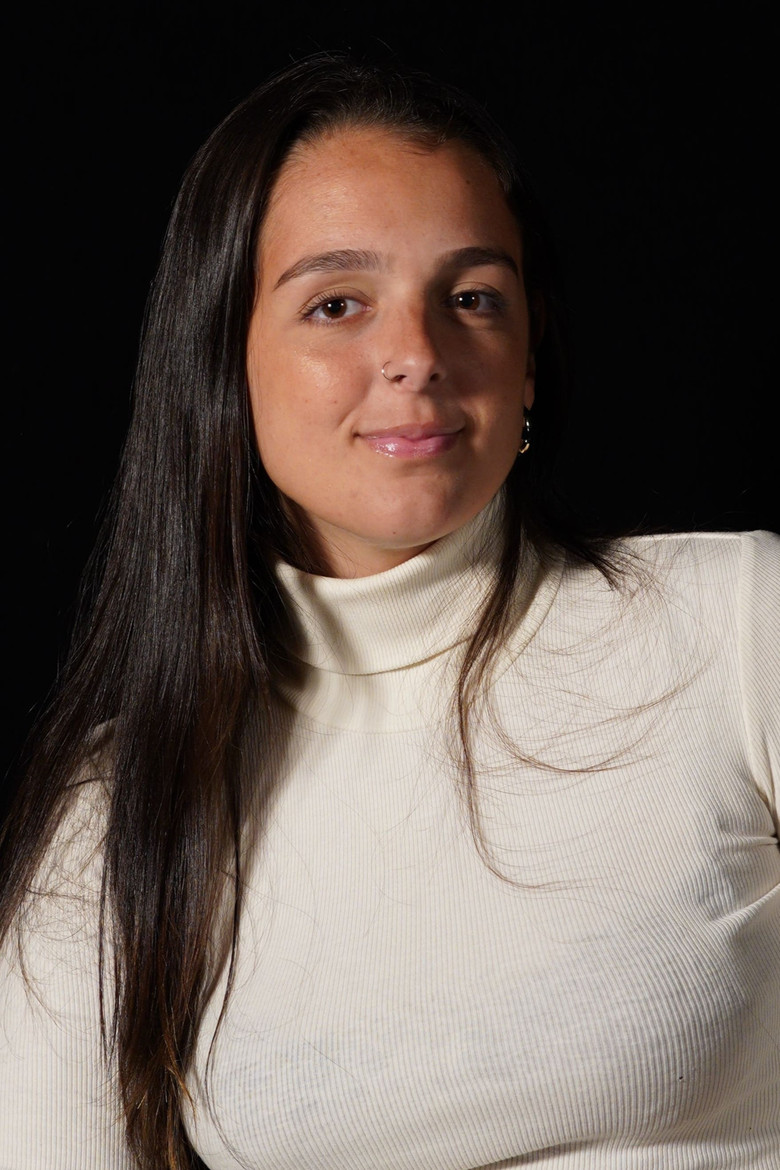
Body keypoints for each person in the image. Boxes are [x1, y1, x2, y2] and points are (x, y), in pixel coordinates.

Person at [0, 53, 778, 1170]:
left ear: (528, 361)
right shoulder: (120, 808)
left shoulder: (735, 627)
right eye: (337, 304)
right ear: (223, 364)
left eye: (472, 298)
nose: (416, 355)